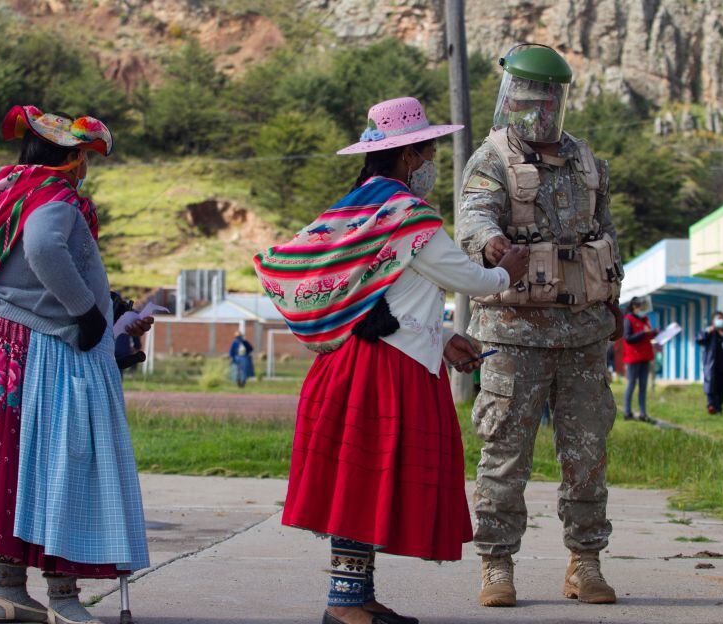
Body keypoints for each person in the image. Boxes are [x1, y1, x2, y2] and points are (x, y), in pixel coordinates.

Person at [255, 96, 529, 624]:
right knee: (365, 482)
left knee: (362, 482)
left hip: (356, 361)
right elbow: (461, 276)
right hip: (385, 369)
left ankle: (357, 597)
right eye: (427, 152)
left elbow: (389, 289)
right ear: (409, 158)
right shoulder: (406, 213)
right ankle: (343, 604)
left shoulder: (355, 207)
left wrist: (445, 336)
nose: (430, 162)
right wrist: (506, 273)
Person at [0, 105, 154, 624]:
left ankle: (10, 591)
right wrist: (87, 313)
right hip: (36, 345)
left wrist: (106, 301)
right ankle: (63, 599)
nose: (87, 167)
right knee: (61, 464)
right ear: (71, 157)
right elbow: (44, 248)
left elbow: (24, 263)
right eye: (85, 156)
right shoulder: (56, 197)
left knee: (13, 470)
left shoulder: (9, 192)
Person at [455, 43, 625, 608]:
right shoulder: (491, 160)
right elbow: (474, 216)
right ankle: (497, 567)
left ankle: (586, 563)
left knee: (587, 454)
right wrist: (491, 242)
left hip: (582, 334)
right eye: (529, 99)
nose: (540, 111)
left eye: (548, 100)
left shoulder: (585, 161)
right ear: (512, 98)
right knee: (504, 451)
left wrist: (612, 302)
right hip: (513, 335)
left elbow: (606, 234)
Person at [622, 297, 657, 423]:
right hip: (633, 357)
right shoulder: (628, 320)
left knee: (643, 386)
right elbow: (628, 338)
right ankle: (627, 412)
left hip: (645, 356)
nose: (644, 310)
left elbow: (648, 334)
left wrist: (654, 333)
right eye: (642, 308)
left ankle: (643, 413)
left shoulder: (645, 319)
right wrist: (643, 333)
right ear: (635, 307)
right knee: (631, 385)